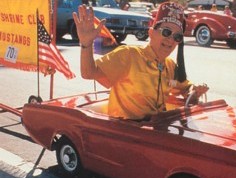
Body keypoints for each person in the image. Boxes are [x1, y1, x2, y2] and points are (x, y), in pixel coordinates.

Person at [72, 2, 208, 120]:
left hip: (156, 129)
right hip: (125, 131)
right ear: (151, 33)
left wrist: (195, 91)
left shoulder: (169, 65)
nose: (171, 40)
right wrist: (86, 44)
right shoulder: (130, 55)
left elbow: (185, 87)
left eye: (177, 36)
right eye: (166, 32)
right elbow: (88, 73)